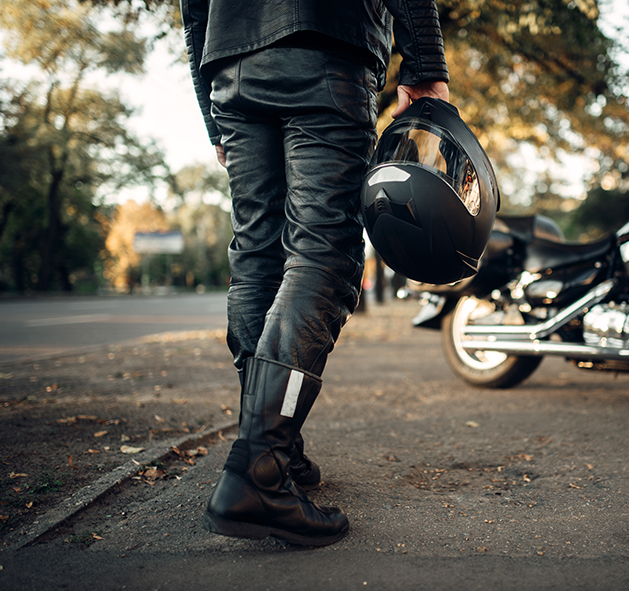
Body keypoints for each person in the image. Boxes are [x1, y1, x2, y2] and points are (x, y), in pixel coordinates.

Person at [181, 0, 449, 546]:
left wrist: (212, 116)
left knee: (257, 255)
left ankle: (275, 445)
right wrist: (423, 65)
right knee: (324, 254)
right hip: (325, 46)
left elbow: (192, 8)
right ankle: (259, 469)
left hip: (229, 64)